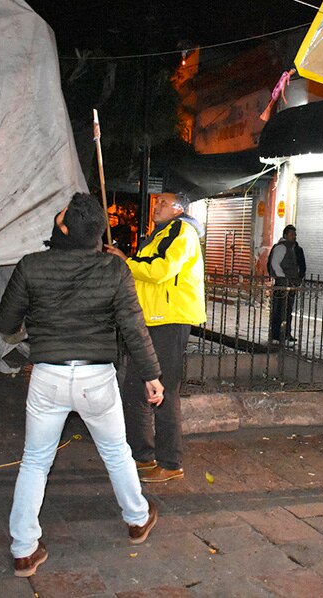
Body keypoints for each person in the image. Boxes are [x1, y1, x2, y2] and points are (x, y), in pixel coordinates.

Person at [0, 193, 164, 578]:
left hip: (48, 376)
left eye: (62, 216)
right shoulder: (113, 269)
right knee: (116, 452)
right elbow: (133, 328)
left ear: (65, 228)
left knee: (36, 461)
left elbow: (5, 324)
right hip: (96, 378)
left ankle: (24, 549)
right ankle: (137, 519)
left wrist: (28, 328)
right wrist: (152, 375)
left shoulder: (32, 266)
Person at [105, 192, 206, 484]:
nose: (156, 206)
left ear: (178, 209)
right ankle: (141, 456)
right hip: (150, 320)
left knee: (163, 391)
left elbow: (162, 269)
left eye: (162, 202)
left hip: (170, 320)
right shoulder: (159, 234)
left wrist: (126, 261)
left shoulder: (181, 230)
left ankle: (170, 462)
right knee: (135, 388)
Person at [267, 224, 306, 344]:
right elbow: (274, 264)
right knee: (279, 309)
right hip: (283, 283)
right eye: (292, 234)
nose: (294, 236)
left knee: (287, 310)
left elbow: (300, 265)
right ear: (285, 235)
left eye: (295, 234)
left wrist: (297, 278)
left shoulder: (293, 248)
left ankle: (284, 334)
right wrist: (283, 277)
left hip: (289, 283)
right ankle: (277, 335)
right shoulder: (282, 247)